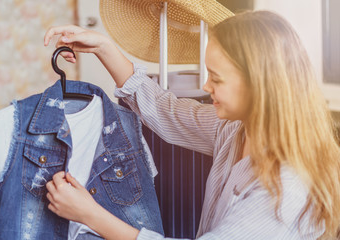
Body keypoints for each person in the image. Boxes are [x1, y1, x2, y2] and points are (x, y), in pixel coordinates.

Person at [43, 11, 340, 239]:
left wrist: (88, 214)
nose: (205, 85)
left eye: (217, 77)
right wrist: (104, 47)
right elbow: (166, 111)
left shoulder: (287, 188)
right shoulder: (237, 129)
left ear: (259, 84)